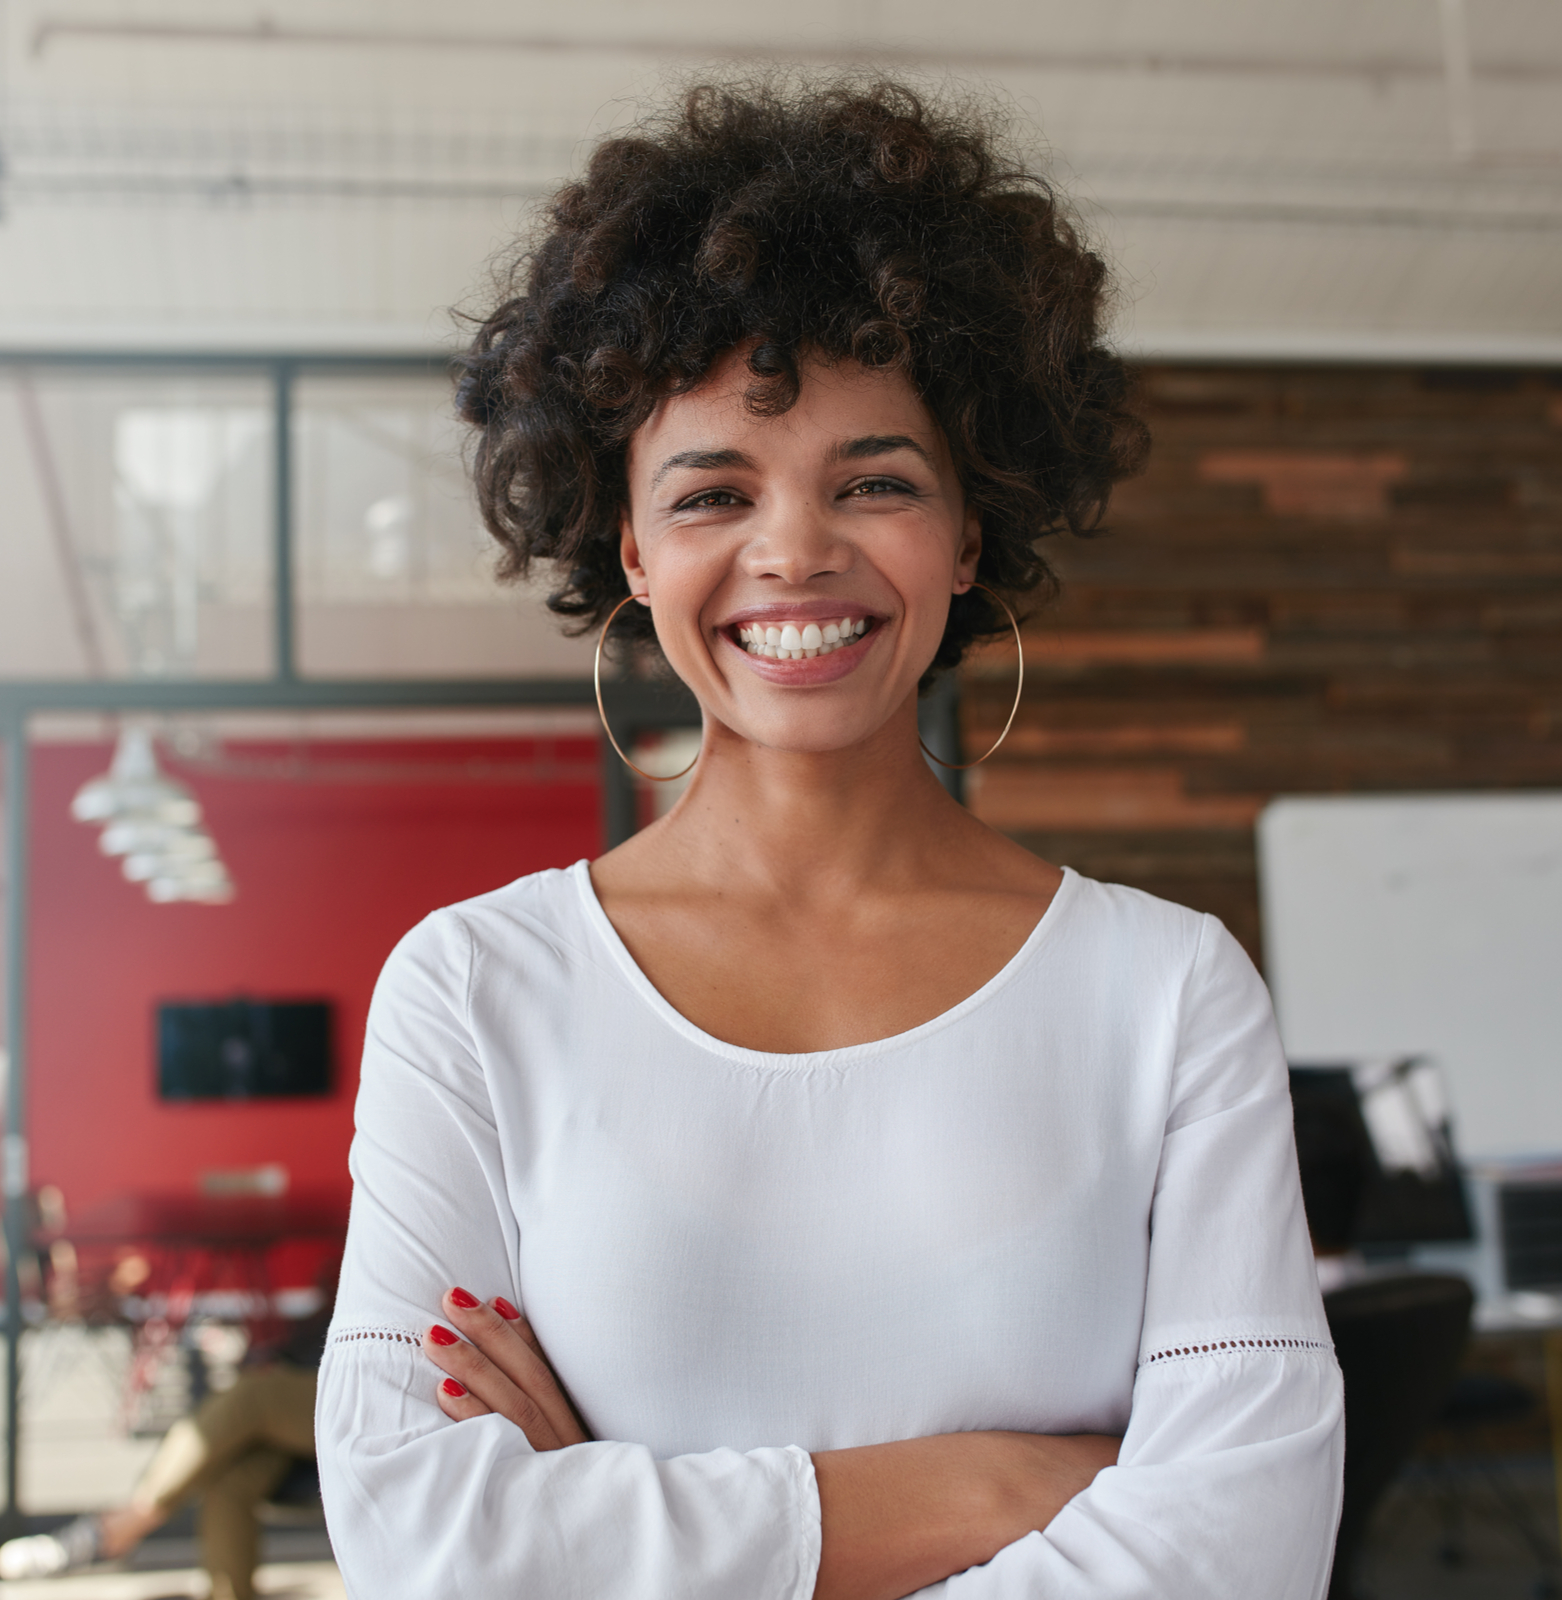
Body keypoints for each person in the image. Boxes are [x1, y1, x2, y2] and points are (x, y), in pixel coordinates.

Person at [316, 77, 1344, 1599]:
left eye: (875, 481)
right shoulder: (474, 992)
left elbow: (1245, 1544)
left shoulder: (1169, 993)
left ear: (969, 531)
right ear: (635, 550)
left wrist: (615, 1517)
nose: (795, 550)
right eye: (713, 491)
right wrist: (1012, 1484)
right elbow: (427, 1543)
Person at [0, 1311, 324, 1597]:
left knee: (254, 1394)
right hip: (320, 1381)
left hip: (361, 1397)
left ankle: (119, 1527)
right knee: (230, 1476)